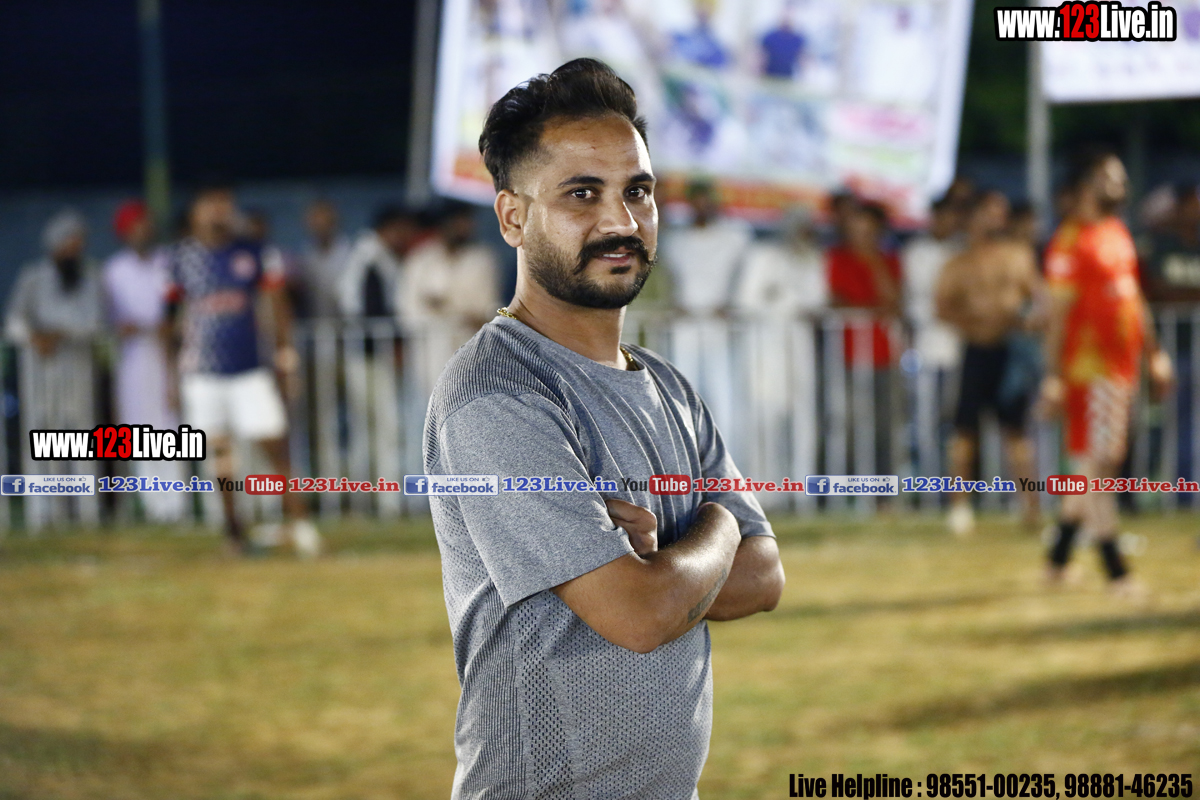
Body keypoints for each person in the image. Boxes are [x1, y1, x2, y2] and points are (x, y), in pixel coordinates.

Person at [425, 58, 785, 798]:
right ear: (513, 217)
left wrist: (672, 557)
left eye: (637, 192)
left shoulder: (667, 387)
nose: (620, 221)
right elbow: (640, 614)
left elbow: (766, 577)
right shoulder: (498, 394)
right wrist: (720, 524)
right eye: (582, 194)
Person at [1039, 149, 1172, 594]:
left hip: (1120, 370)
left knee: (1090, 467)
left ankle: (1057, 561)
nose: (1121, 184)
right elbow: (1057, 319)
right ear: (1084, 187)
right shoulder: (1069, 243)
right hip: (1087, 371)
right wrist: (1053, 376)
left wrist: (1154, 354)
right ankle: (1117, 571)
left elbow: (1133, 298)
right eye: (1109, 177)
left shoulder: (1117, 233)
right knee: (1097, 468)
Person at [167, 184, 320, 557]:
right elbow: (168, 322)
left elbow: (277, 305)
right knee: (221, 457)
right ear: (195, 212)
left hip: (250, 370)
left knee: (275, 446)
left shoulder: (253, 252)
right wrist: (170, 374)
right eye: (210, 203)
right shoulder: (180, 259)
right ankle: (233, 532)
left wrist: (285, 357)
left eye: (224, 203)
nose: (218, 211)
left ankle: (301, 524)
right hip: (202, 374)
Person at [936, 190, 1042, 535]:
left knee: (1018, 433)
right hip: (976, 350)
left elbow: (1039, 299)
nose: (998, 219)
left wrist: (1025, 321)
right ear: (973, 216)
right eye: (990, 211)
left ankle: (1030, 507)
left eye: (1001, 212)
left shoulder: (1017, 256)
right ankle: (959, 507)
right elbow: (942, 306)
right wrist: (976, 324)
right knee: (964, 432)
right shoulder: (959, 263)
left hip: (1010, 352)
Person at [5, 209, 104, 528]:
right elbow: (14, 323)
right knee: (41, 437)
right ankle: (44, 514)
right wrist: (36, 337)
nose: (75, 249)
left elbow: (95, 323)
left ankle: (87, 513)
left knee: (80, 438)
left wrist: (61, 333)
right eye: (69, 242)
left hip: (77, 371)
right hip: (40, 372)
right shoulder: (33, 277)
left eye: (79, 242)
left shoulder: (90, 276)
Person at [102, 200, 187, 522]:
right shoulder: (114, 270)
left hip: (167, 353)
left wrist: (170, 325)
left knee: (171, 426)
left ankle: (176, 504)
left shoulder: (167, 262)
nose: (142, 231)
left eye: (145, 225)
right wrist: (122, 328)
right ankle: (153, 505)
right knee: (139, 430)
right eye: (135, 226)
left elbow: (177, 307)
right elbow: (109, 319)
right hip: (134, 358)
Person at [735, 207, 825, 507]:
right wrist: (783, 302)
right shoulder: (763, 256)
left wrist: (784, 298)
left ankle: (803, 491)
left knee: (804, 419)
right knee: (765, 418)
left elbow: (817, 302)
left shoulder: (812, 259)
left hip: (800, 347)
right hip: (765, 348)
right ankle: (765, 490)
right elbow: (746, 301)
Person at [659, 179, 752, 448]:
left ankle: (728, 463)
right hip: (684, 326)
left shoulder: (735, 237)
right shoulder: (675, 241)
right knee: (682, 396)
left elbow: (745, 278)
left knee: (725, 399)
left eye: (706, 201)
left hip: (720, 327)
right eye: (696, 202)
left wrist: (734, 304)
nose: (702, 207)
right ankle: (687, 464)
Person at [826, 200, 901, 475]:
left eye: (869, 230)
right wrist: (871, 309)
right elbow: (835, 301)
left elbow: (893, 302)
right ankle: (848, 485)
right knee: (848, 424)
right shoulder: (836, 258)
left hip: (884, 354)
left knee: (885, 424)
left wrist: (874, 263)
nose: (862, 236)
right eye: (857, 229)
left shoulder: (890, 260)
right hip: (846, 355)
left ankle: (883, 488)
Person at [400, 200, 500, 398]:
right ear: (444, 224)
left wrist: (445, 306)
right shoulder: (421, 260)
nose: (465, 227)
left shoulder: (482, 259)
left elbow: (486, 306)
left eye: (468, 222)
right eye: (459, 222)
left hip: (473, 347)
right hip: (431, 350)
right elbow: (408, 308)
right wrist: (452, 313)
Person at [903, 194, 964, 486]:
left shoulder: (961, 250)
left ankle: (952, 484)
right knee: (925, 420)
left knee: (954, 421)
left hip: (958, 346)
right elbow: (918, 298)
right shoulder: (917, 252)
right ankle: (927, 483)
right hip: (926, 348)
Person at [296, 198, 351, 319]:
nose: (319, 225)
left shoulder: (351, 254)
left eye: (324, 220)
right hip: (315, 322)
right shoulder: (305, 256)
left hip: (347, 322)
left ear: (334, 221)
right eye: (315, 221)